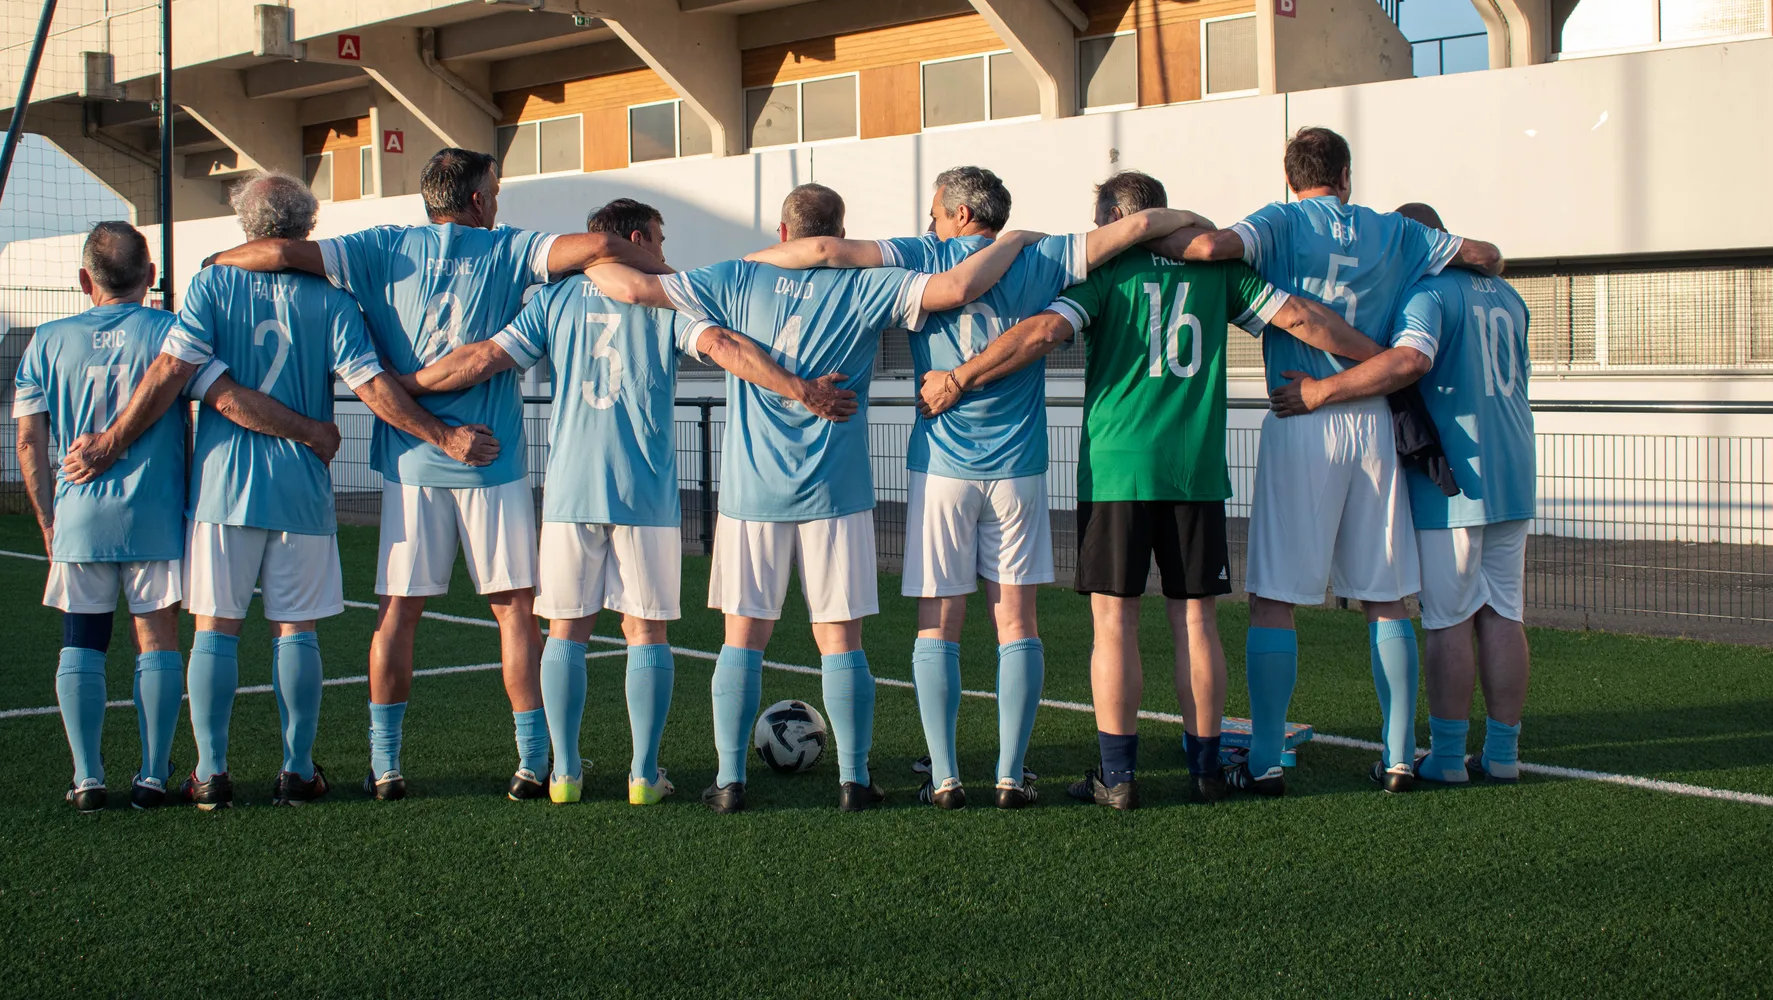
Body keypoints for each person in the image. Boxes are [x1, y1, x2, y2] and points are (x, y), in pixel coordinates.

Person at [203, 147, 669, 799]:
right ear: (477, 199)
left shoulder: (379, 247)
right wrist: (663, 269)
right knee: (514, 613)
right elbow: (599, 247)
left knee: (398, 614)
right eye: (496, 191)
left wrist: (218, 259)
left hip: (410, 460)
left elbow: (280, 253)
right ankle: (533, 762)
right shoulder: (509, 248)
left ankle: (386, 765)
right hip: (489, 458)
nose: (499, 201)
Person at [746, 165, 1211, 810]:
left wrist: (745, 264)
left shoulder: (922, 254)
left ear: (962, 215)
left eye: (936, 211)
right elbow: (1136, 226)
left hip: (941, 465)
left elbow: (823, 250)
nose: (929, 222)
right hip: (1019, 466)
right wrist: (1195, 223)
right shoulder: (1046, 254)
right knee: (1018, 624)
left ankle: (942, 776)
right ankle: (1011, 775)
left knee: (938, 626)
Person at [920, 171, 1381, 807]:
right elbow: (1299, 316)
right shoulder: (1219, 273)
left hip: (1117, 471)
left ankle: (1119, 775)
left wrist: (962, 377)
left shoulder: (1104, 275)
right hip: (1195, 471)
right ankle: (1205, 771)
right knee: (1197, 618)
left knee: (1114, 621)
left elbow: (1046, 332)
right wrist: (1374, 358)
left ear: (1116, 218)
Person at [585, 183, 1036, 812]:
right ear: (841, 233)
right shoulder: (868, 283)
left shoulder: (738, 278)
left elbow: (628, 284)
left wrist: (586, 252)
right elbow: (959, 288)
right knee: (841, 642)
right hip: (838, 490)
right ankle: (854, 781)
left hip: (750, 492)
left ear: (781, 231)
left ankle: (730, 782)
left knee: (742, 640)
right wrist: (1013, 238)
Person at [392, 197, 857, 806]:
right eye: (659, 241)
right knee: (646, 634)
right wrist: (798, 390)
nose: (663, 254)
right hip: (643, 493)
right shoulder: (665, 298)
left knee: (565, 633)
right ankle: (642, 774)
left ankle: (563, 773)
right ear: (636, 237)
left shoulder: (554, 301)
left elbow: (482, 358)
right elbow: (721, 346)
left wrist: (403, 387)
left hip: (569, 492)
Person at [64, 174, 488, 807]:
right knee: (297, 632)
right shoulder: (334, 301)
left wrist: (109, 442)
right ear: (307, 229)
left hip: (222, 489)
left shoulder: (211, 285)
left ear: (245, 228)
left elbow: (175, 374)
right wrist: (441, 436)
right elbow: (374, 389)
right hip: (300, 489)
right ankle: (296, 770)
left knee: (215, 631)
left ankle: (210, 772)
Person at [1157, 127, 1504, 795]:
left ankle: (1262, 760)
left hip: (1301, 413)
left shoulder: (1280, 218)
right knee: (1385, 596)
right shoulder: (1393, 230)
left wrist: (1156, 227)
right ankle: (1400, 756)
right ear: (1346, 175)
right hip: (1373, 418)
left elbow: (1207, 248)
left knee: (1274, 599)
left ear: (1292, 178)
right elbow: (1484, 253)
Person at [16, 222, 305, 811]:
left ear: (83, 280)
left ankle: (88, 780)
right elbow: (227, 399)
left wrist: (49, 520)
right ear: (151, 277)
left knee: (82, 643)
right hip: (154, 516)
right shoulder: (176, 332)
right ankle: (152, 777)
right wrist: (308, 432)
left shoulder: (46, 340)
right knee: (157, 643)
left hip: (78, 518)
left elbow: (28, 441)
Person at [1270, 202, 1534, 785]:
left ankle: (1444, 756)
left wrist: (1322, 391)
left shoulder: (1429, 294)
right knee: (1504, 615)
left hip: (1457, 476)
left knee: (1447, 619)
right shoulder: (1507, 296)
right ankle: (1504, 754)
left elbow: (1411, 360)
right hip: (1515, 471)